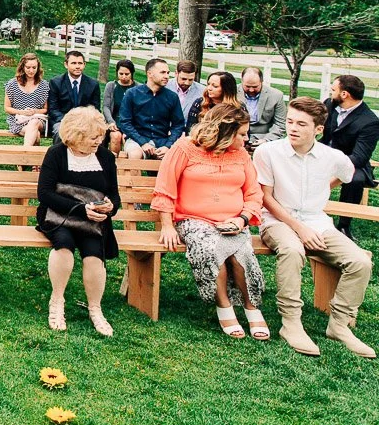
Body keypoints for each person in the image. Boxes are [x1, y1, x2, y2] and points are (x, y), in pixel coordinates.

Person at [256, 97, 375, 357]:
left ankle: (340, 325)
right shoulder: (268, 152)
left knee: (360, 262)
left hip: (318, 222)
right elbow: (266, 198)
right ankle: (291, 323)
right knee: (292, 250)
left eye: (301, 124)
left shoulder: (331, 157)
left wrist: (320, 190)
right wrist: (300, 229)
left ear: (318, 129)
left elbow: (348, 173)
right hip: (277, 221)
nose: (293, 128)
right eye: (289, 121)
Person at [152, 103, 269, 340]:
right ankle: (223, 305)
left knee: (241, 254)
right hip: (193, 220)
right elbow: (165, 188)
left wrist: (242, 218)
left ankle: (251, 307)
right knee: (211, 249)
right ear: (224, 132)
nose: (246, 139)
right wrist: (166, 225)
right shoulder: (185, 148)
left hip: (233, 221)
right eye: (242, 134)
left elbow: (254, 193)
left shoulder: (242, 155)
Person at [37, 106, 120, 336]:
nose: (98, 142)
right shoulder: (56, 153)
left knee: (93, 252)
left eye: (100, 137)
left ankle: (95, 308)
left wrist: (110, 207)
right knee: (63, 243)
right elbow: (44, 194)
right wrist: (81, 209)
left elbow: (114, 194)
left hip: (93, 220)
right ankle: (57, 301)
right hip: (59, 215)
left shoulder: (104, 157)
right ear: (77, 136)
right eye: (93, 138)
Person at [321, 74, 379, 241]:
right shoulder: (329, 105)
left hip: (352, 161)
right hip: (324, 152)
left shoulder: (370, 121)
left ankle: (344, 225)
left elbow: (359, 158)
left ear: (344, 94)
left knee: (356, 179)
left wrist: (332, 167)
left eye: (334, 90)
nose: (331, 93)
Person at [118, 58, 186, 160]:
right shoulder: (132, 94)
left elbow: (178, 125)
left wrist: (168, 146)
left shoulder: (172, 97)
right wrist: (143, 143)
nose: (167, 76)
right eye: (162, 72)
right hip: (137, 139)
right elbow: (125, 122)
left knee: (173, 158)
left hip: (162, 141)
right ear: (149, 74)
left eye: (168, 73)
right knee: (135, 154)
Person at [47, 51, 101, 139]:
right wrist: (69, 120)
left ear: (84, 64)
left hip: (85, 121)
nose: (77, 66)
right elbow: (53, 109)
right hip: (62, 120)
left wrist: (83, 121)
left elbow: (95, 108)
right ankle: (60, 153)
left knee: (97, 134)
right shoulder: (56, 83)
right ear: (66, 64)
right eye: (73, 63)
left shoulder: (93, 84)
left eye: (80, 63)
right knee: (60, 132)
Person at [5, 52, 48, 147]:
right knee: (35, 135)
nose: (31, 71)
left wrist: (34, 111)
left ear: (38, 68)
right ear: (22, 67)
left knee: (34, 122)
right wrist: (22, 112)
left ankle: (23, 155)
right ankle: (27, 160)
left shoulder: (44, 85)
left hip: (38, 119)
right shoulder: (12, 84)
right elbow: (7, 108)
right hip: (18, 121)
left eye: (34, 67)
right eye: (28, 67)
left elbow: (46, 109)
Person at [239, 67, 287, 144]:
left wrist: (266, 140)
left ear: (262, 81)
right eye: (247, 86)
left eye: (255, 87)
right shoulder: (232, 93)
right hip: (236, 137)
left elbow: (280, 124)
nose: (251, 90)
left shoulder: (276, 95)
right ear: (242, 81)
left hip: (264, 137)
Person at [102, 59, 138, 155]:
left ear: (132, 73)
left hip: (132, 123)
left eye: (127, 74)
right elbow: (106, 106)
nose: (123, 77)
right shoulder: (111, 86)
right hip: (115, 122)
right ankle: (114, 164)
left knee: (127, 138)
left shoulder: (138, 88)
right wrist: (110, 121)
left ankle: (129, 166)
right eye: (121, 74)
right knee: (116, 137)